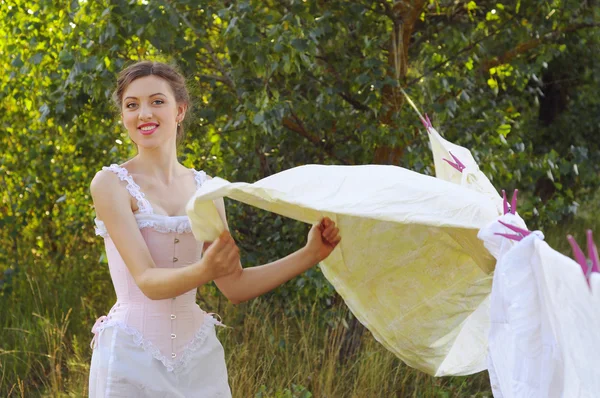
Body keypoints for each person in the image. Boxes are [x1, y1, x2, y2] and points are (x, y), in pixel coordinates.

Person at [88, 60, 341, 397]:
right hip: (130, 358)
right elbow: (147, 281)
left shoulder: (206, 190)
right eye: (132, 105)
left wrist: (311, 254)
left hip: (198, 360)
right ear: (123, 117)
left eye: (157, 101)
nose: (143, 113)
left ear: (180, 110)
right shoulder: (110, 184)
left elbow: (234, 286)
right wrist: (205, 269)